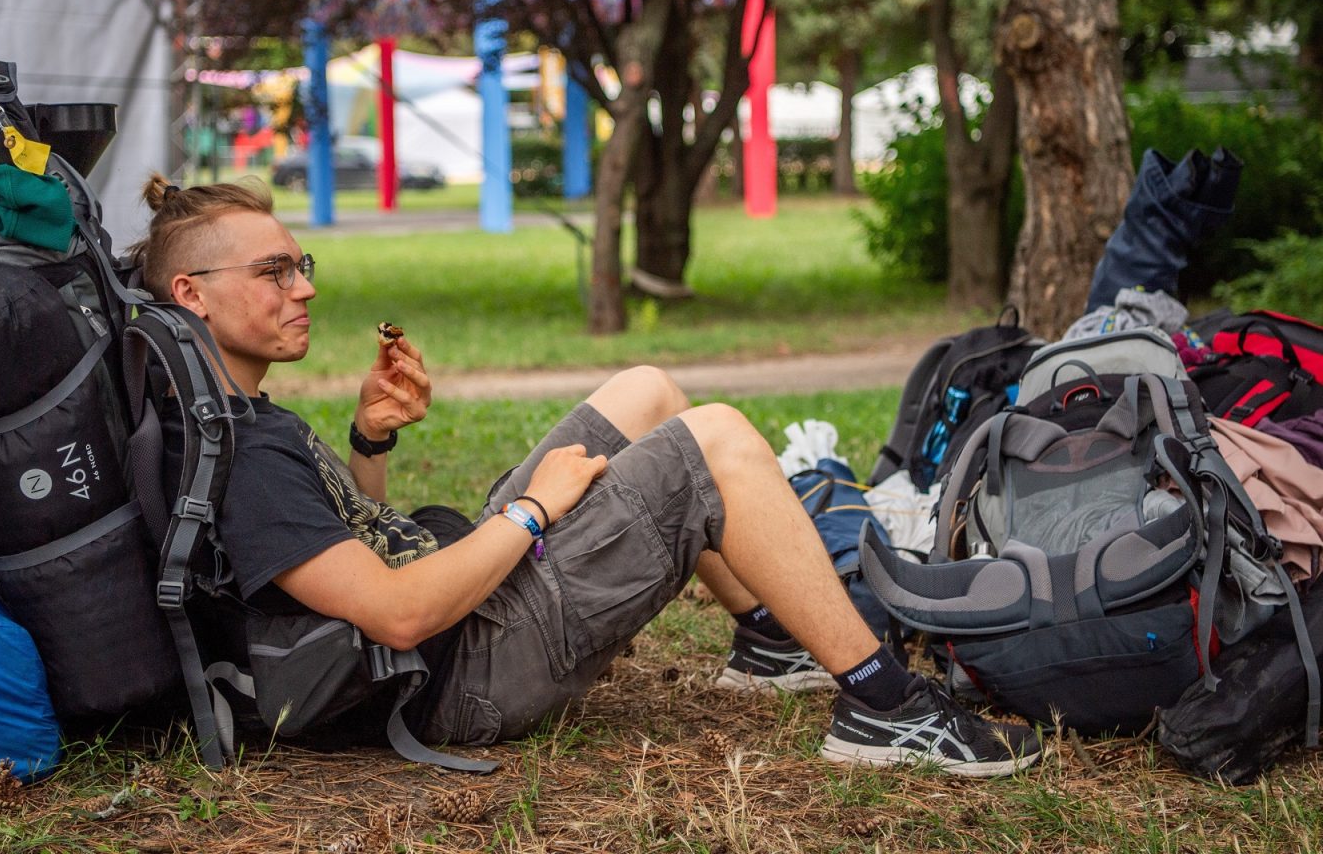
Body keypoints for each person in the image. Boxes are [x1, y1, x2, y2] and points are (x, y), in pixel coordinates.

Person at [129, 175, 1042, 777]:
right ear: (191, 294)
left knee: (648, 390)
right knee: (715, 441)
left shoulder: (238, 421)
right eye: (274, 271)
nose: (304, 288)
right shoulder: (243, 456)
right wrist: (531, 511)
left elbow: (351, 562)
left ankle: (769, 642)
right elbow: (396, 616)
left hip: (464, 610)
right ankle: (885, 707)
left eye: (301, 265)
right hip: (468, 671)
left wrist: (370, 442)